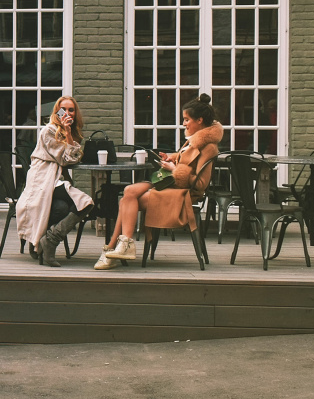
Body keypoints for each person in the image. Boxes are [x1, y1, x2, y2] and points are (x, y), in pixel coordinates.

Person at [94, 94, 223, 270]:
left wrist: (174, 170)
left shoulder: (209, 147)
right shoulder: (194, 141)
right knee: (129, 191)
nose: (184, 123)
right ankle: (120, 246)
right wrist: (173, 158)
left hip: (183, 194)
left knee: (127, 200)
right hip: (170, 185)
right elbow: (186, 160)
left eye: (187, 119)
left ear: (199, 120)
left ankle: (113, 248)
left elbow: (201, 185)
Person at [14, 97, 94, 267]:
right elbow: (67, 159)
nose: (67, 113)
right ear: (57, 112)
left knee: (61, 207)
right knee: (86, 202)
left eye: (71, 110)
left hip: (57, 178)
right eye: (63, 109)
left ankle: (44, 241)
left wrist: (69, 134)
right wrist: (67, 133)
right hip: (43, 177)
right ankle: (50, 241)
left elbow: (74, 158)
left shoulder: (72, 132)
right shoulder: (49, 130)